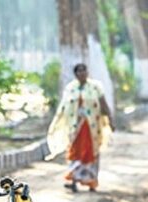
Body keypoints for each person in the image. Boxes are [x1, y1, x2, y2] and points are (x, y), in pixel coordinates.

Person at [46, 63, 115, 193]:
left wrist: (110, 119)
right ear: (76, 74)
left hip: (91, 128)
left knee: (90, 152)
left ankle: (91, 181)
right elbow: (63, 107)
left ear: (87, 72)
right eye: (79, 71)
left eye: (84, 70)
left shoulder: (95, 87)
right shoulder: (71, 88)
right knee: (75, 152)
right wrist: (57, 123)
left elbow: (103, 104)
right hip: (74, 127)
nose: (82, 73)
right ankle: (74, 180)